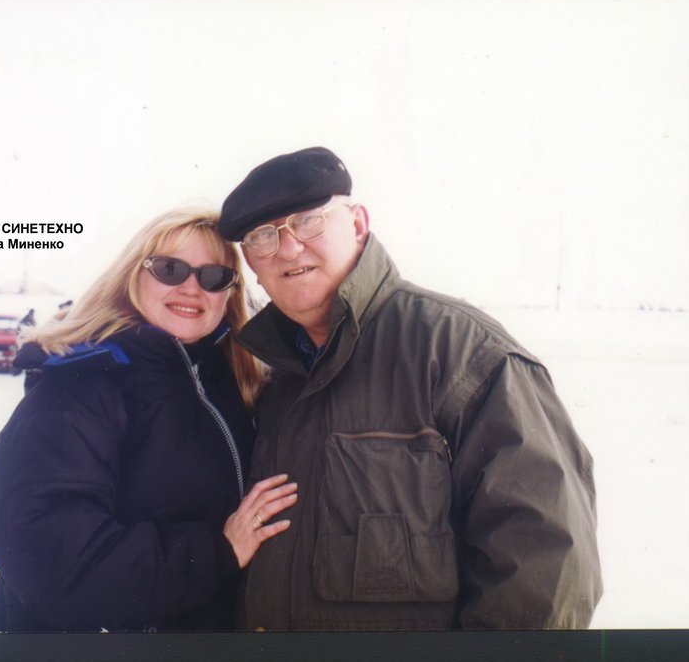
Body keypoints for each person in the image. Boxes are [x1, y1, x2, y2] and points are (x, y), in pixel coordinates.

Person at [217, 146, 603, 630]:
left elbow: (544, 563)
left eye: (309, 222)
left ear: (358, 223)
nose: (289, 249)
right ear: (251, 263)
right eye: (263, 237)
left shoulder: (461, 352)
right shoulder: (273, 377)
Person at [0, 208, 298, 632]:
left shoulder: (235, 381)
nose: (191, 287)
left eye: (213, 277)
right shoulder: (81, 384)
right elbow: (51, 558)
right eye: (170, 269)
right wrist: (218, 553)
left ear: (229, 292)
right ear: (133, 275)